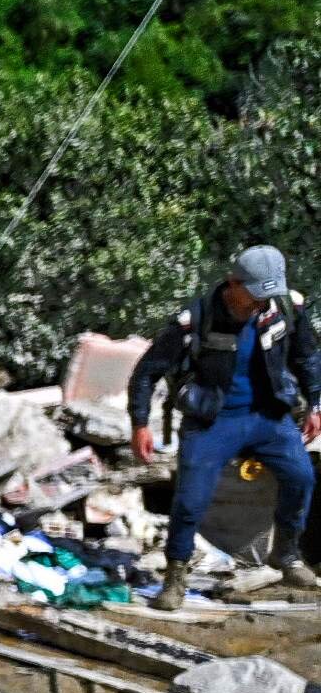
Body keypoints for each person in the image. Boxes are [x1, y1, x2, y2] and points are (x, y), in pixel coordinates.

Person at [129, 244, 321, 607]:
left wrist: (316, 403)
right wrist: (140, 423)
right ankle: (175, 578)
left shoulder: (285, 308)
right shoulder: (195, 319)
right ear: (233, 283)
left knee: (302, 478)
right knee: (190, 500)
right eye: (255, 294)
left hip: (270, 416)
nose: (261, 303)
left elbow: (307, 356)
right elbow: (146, 372)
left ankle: (287, 554)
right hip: (212, 421)